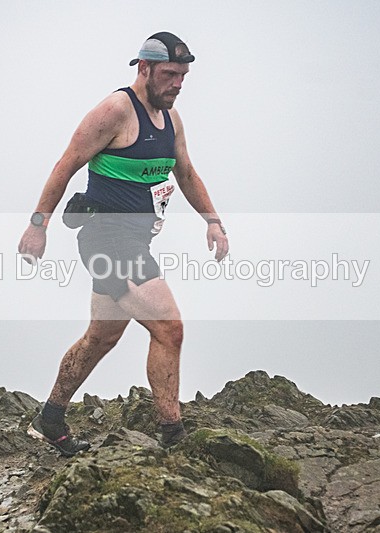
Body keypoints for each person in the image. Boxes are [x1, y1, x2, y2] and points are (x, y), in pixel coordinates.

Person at [18, 32, 228, 456]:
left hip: (134, 240)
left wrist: (214, 222)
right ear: (144, 68)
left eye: (183, 76)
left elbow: (185, 173)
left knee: (101, 337)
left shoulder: (172, 120)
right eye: (170, 74)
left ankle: (50, 418)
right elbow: (66, 165)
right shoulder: (115, 111)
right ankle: (173, 436)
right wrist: (38, 224)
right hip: (106, 238)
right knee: (169, 329)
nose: (177, 84)